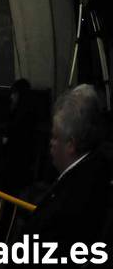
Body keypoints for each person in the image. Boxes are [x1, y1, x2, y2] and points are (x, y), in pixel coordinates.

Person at [22, 85, 110, 257]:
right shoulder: (99, 169)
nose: (51, 143)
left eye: (55, 136)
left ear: (70, 144)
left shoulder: (65, 207)